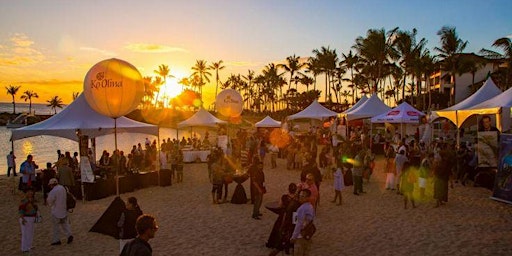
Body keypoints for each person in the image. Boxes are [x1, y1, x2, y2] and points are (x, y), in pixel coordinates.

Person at [47, 178, 73, 245]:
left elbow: (50, 201)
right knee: (65, 224)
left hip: (56, 211)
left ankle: (56, 240)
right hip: (64, 210)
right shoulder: (62, 188)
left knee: (56, 227)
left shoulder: (53, 191)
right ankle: (69, 235)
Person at [290, 189, 315, 256]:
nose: (300, 198)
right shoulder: (310, 206)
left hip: (300, 236)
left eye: (303, 196)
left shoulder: (301, 208)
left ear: (307, 197)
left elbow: (298, 224)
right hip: (307, 235)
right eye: (300, 196)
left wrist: (293, 237)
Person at [19, 187, 38, 254]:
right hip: (26, 218)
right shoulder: (24, 200)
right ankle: (24, 248)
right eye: (28, 191)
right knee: (25, 233)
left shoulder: (33, 200)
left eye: (31, 191)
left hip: (31, 218)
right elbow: (21, 210)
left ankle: (29, 246)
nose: (30, 193)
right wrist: (22, 219)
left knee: (30, 233)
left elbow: (36, 209)